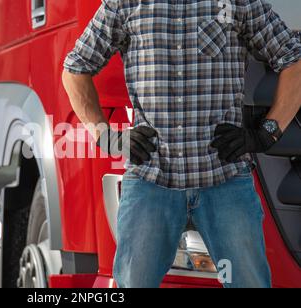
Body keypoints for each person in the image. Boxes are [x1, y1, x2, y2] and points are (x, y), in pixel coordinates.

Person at [62, 0, 301, 288]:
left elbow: (293, 58)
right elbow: (75, 69)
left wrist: (267, 133)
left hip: (225, 181)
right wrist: (106, 136)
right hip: (151, 181)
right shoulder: (124, 4)